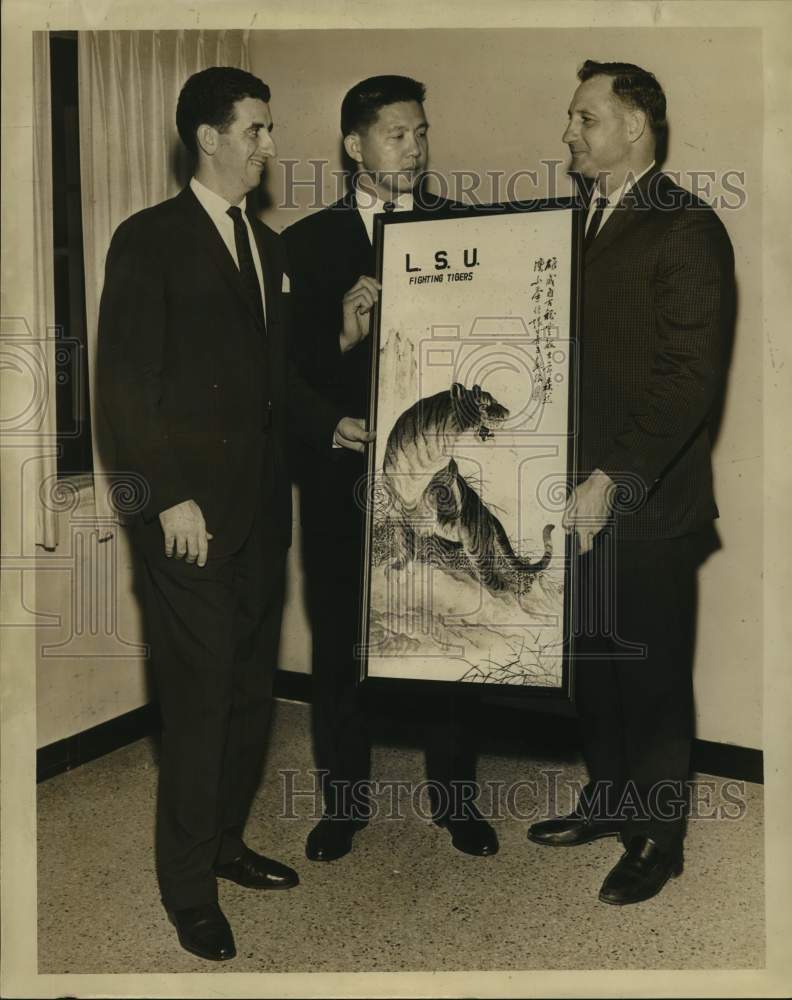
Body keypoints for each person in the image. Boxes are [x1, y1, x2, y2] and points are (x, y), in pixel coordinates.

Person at [97, 66, 371, 962]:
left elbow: (274, 383)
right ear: (208, 138)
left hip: (262, 513)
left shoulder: (272, 249)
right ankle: (186, 890)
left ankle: (224, 846)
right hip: (187, 516)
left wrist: (334, 417)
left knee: (251, 691)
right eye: (254, 129)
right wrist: (168, 494)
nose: (268, 145)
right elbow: (126, 390)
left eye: (268, 127)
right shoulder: (149, 240)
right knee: (202, 697)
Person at [527, 61, 735, 905]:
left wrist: (615, 475)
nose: (568, 133)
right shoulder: (574, 223)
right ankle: (609, 799)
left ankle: (659, 837)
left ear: (635, 127)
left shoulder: (685, 226)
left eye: (584, 117)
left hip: (645, 504)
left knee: (647, 675)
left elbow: (688, 375)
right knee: (594, 664)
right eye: (571, 118)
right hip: (571, 499)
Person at [282, 75, 498, 862]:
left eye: (421, 132)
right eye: (397, 134)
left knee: (447, 627)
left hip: (436, 480)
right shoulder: (303, 245)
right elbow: (283, 373)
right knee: (342, 638)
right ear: (354, 147)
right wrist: (342, 339)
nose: (415, 147)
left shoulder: (469, 233)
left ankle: (457, 799)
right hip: (342, 477)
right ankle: (344, 804)